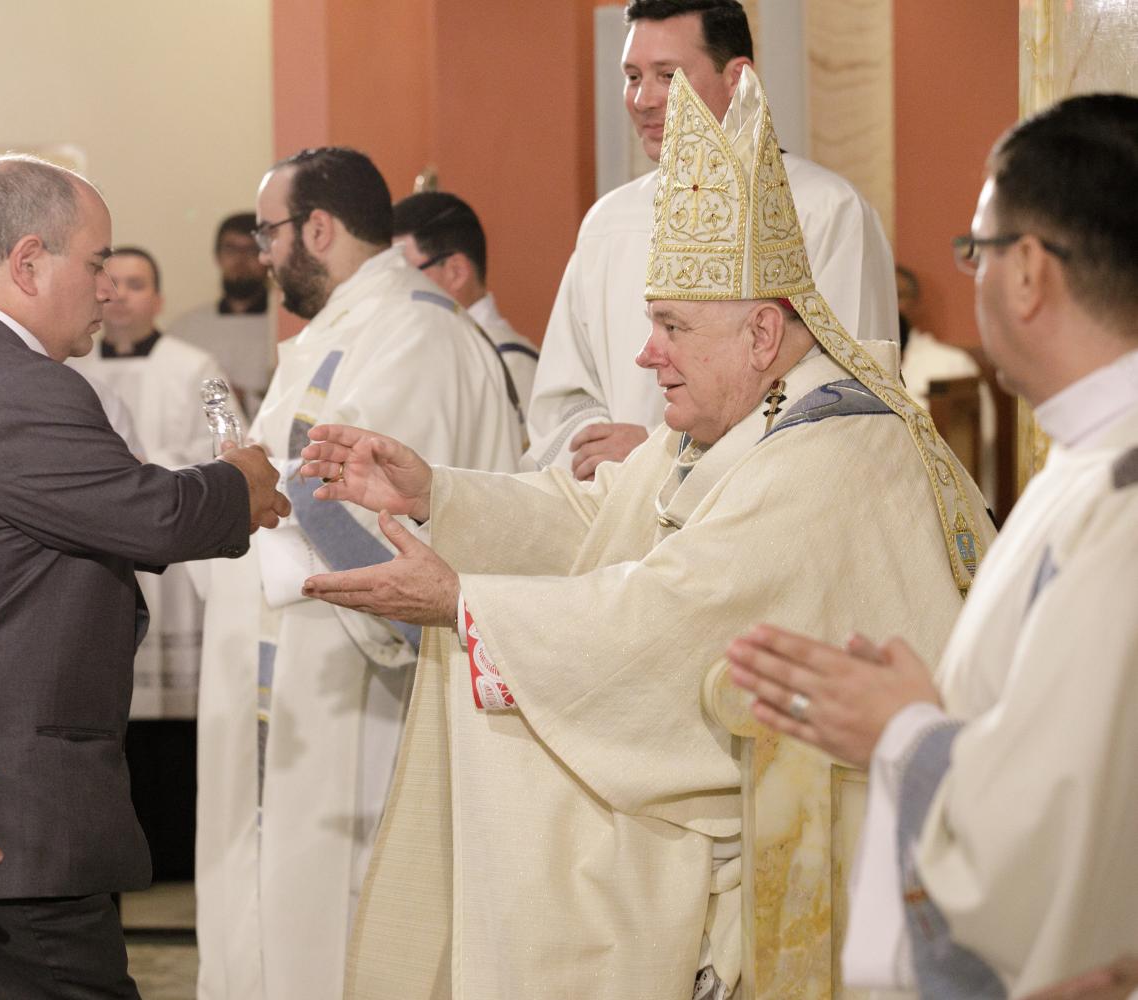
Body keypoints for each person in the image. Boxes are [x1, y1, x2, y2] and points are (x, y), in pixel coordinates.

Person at [295, 69, 991, 1000]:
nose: (644, 352)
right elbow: (601, 512)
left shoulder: (836, 452)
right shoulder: (740, 409)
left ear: (758, 331)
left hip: (834, 836)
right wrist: (435, 494)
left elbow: (678, 612)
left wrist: (464, 605)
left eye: (669, 325)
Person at [0, 153, 288, 1000]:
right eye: (95, 264)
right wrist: (245, 482)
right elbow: (146, 510)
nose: (108, 290)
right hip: (5, 819)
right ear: (27, 262)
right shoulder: (17, 385)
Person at [726, 93, 1138, 997]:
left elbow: (1058, 837)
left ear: (1029, 271)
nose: (974, 274)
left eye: (977, 252)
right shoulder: (1089, 458)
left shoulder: (1120, 502)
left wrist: (903, 732)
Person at [194, 147, 524, 1000]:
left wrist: (244, 496)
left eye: (269, 233)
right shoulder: (339, 333)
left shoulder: (416, 335)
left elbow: (377, 526)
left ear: (319, 228)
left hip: (365, 695)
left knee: (347, 931)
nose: (260, 255)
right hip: (305, 682)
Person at [525, 0, 896, 479]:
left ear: (737, 77)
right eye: (633, 76)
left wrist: (659, 456)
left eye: (666, 74)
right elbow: (565, 400)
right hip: (620, 523)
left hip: (762, 519)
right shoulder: (607, 224)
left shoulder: (825, 212)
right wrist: (607, 452)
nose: (643, 100)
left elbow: (846, 401)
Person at [67, 245, 229, 882]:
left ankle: (178, 851)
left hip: (177, 561)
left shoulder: (200, 365)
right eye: (115, 281)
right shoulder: (71, 369)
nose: (125, 294)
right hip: (110, 550)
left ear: (158, 299)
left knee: (176, 719)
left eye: (139, 283)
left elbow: (229, 439)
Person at [391, 191, 539, 408]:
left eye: (406, 274)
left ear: (456, 272)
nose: (395, 289)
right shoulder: (430, 354)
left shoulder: (509, 366)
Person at [168, 212, 275, 420]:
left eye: (252, 249)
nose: (241, 260)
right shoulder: (186, 329)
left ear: (267, 257)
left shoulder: (283, 328)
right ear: (217, 256)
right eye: (231, 249)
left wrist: (245, 398)